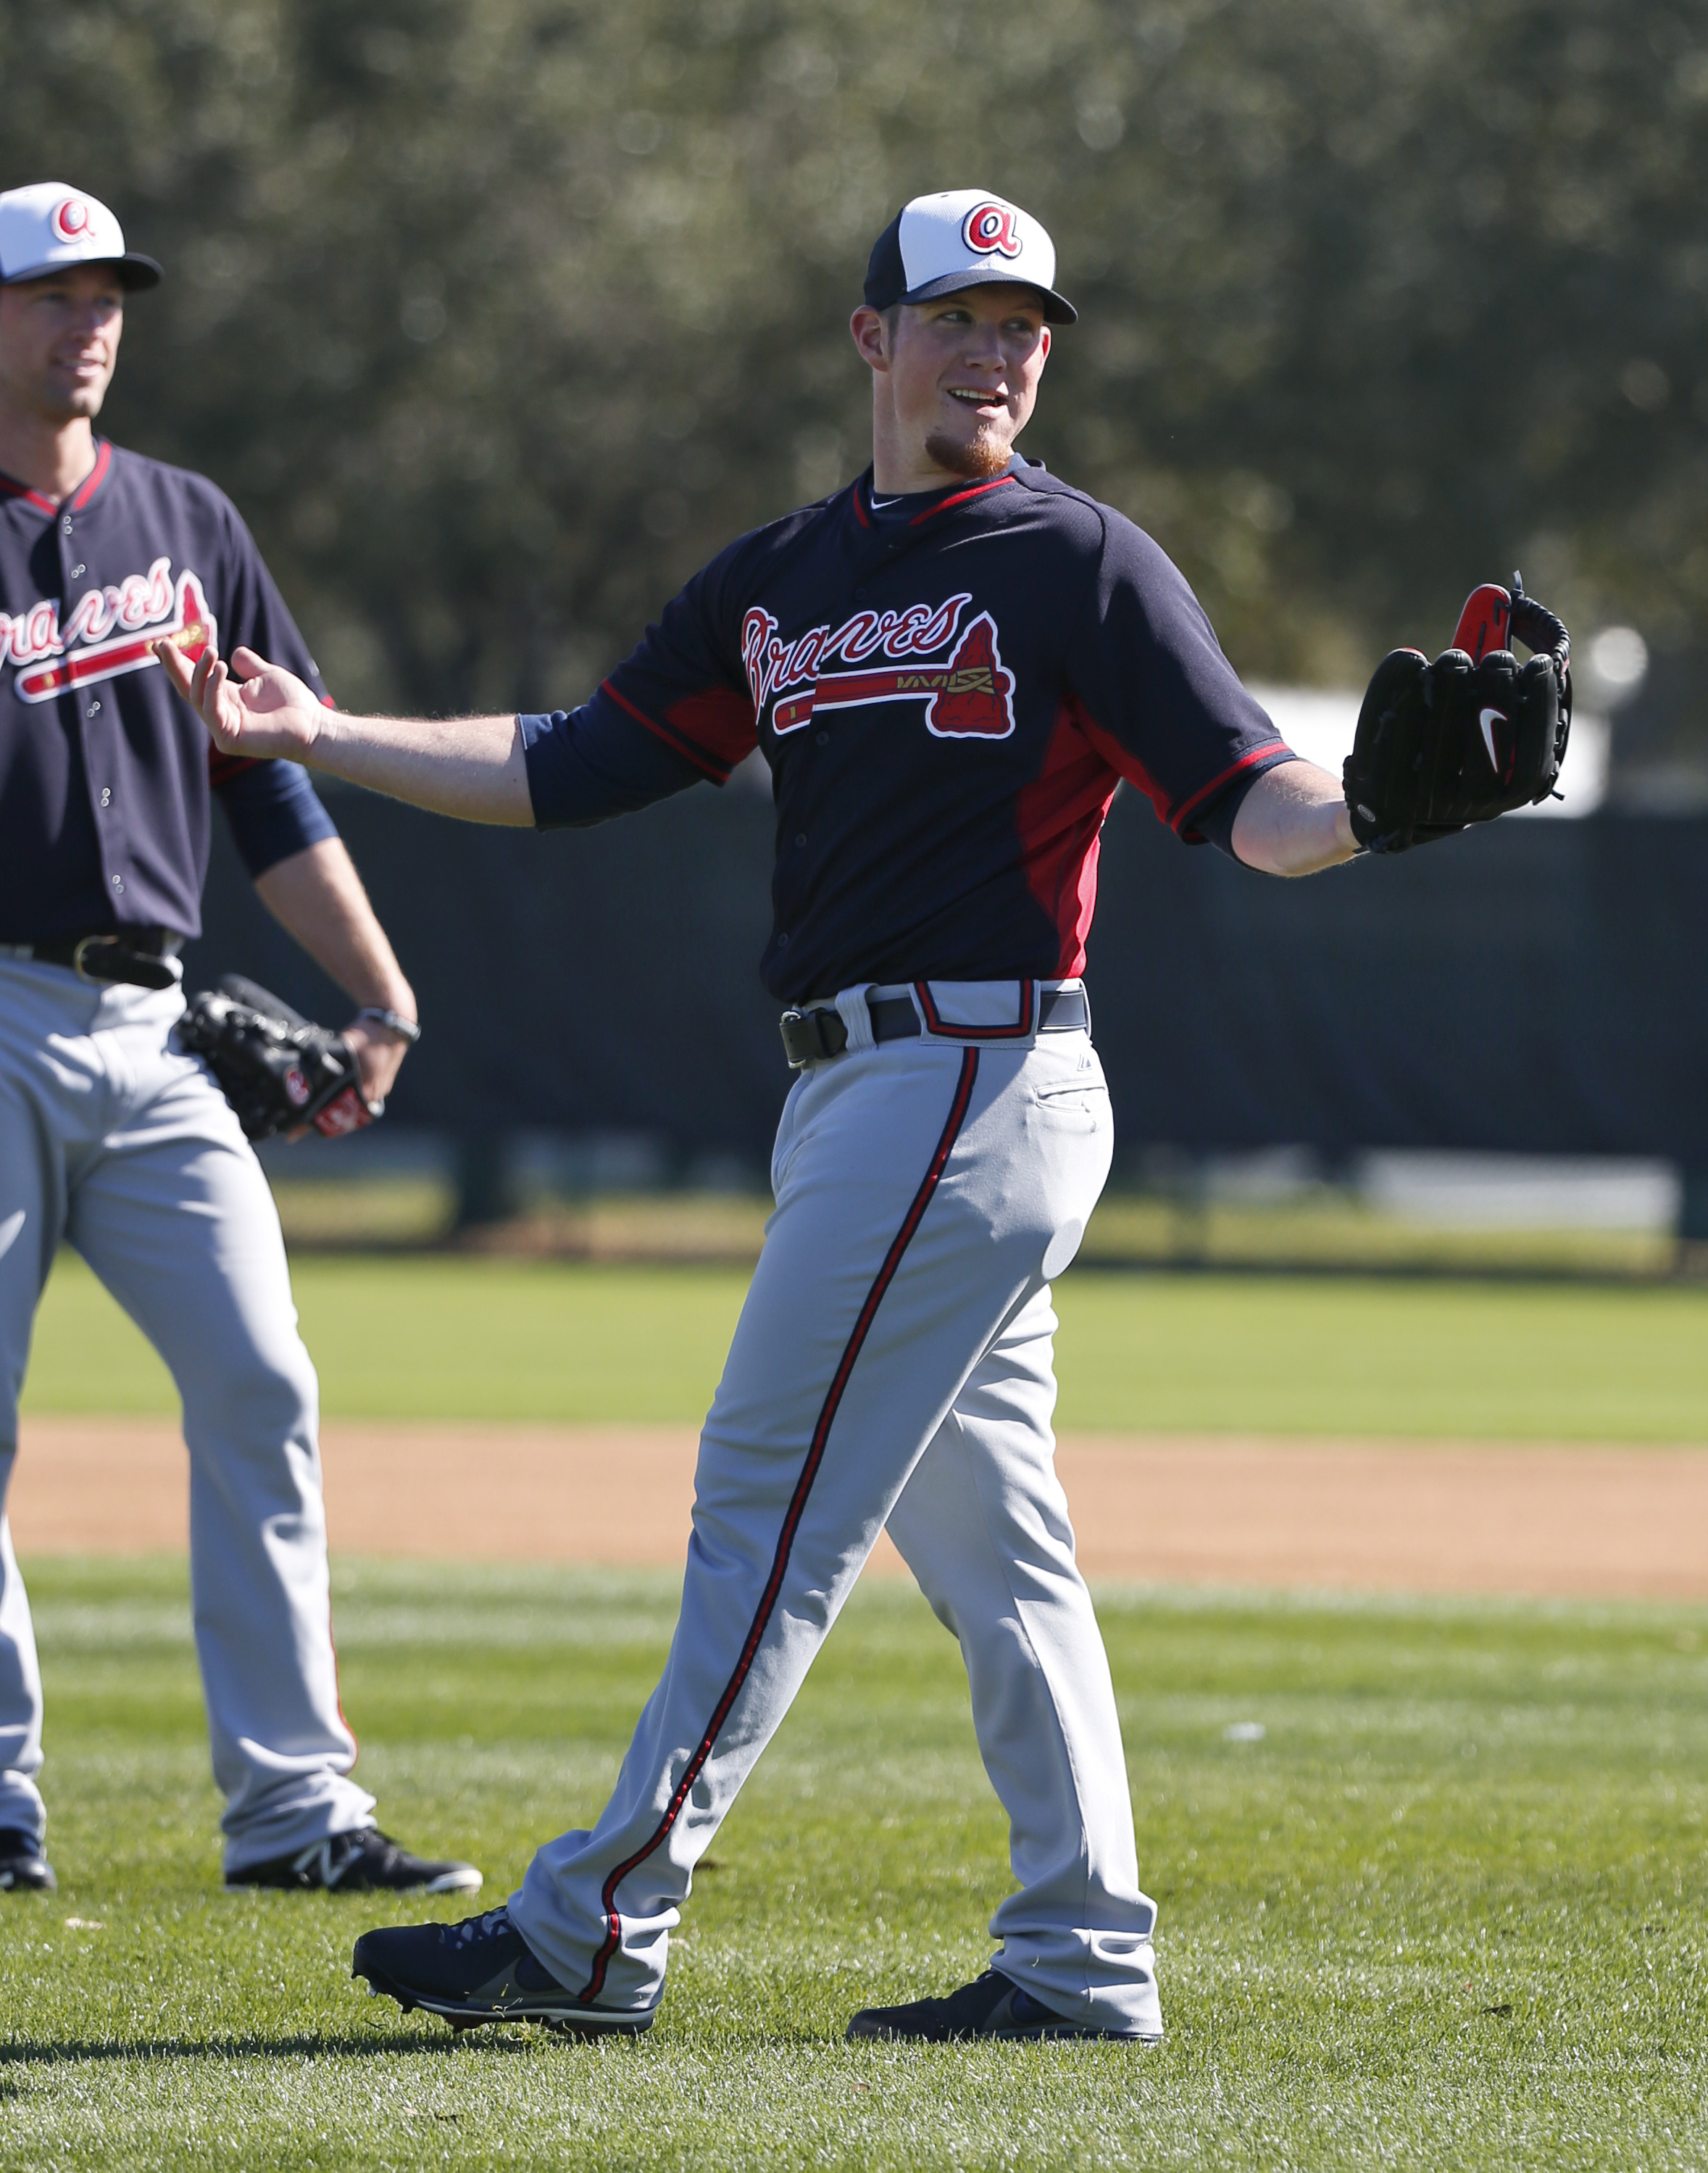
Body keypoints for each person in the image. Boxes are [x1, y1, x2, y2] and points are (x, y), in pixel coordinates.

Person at [162, 188, 1400, 2038]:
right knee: (997, 1543)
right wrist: (313, 732)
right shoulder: (778, 579)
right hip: (860, 1091)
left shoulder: (1079, 559)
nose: (992, 353)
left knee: (762, 1498)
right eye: (956, 318)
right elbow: (568, 762)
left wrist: (1384, 803)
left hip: (973, 1074)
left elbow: (1256, 801)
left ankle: (593, 1929)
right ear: (871, 339)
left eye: (1022, 325)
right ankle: (1079, 1957)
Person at [0, 180, 479, 1898]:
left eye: (110, 289)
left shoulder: (186, 523)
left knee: (263, 1383)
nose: (91, 318)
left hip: (155, 1020)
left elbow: (265, 775)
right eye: (54, 290)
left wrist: (379, 991)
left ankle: (295, 1816)